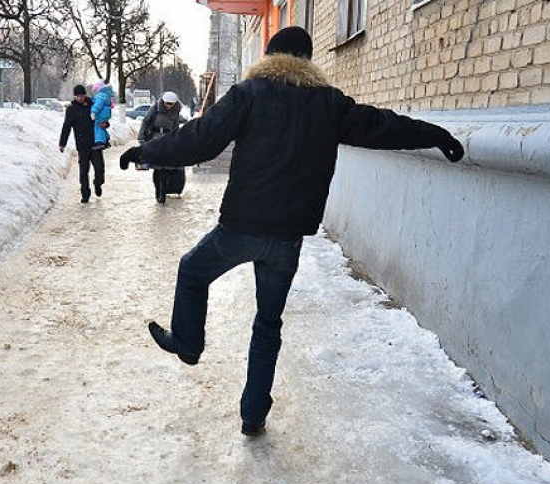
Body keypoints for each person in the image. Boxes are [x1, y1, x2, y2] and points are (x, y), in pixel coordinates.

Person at [119, 27, 464, 437]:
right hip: (287, 239)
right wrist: (436, 135)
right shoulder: (329, 103)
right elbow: (382, 126)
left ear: (270, 56)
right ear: (308, 60)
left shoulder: (250, 94)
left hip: (241, 228)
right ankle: (253, 414)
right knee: (268, 323)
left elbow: (201, 139)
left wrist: (147, 153)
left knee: (193, 271)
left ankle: (188, 344)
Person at [59, 84, 105, 203]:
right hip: (82, 145)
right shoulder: (71, 109)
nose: (81, 98)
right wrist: (62, 143)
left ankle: (98, 183)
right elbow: (67, 127)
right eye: (78, 96)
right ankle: (85, 194)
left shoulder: (93, 105)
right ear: (75, 97)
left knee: (99, 169)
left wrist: (106, 124)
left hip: (96, 144)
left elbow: (102, 119)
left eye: (82, 95)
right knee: (84, 171)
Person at [138, 91, 186, 204]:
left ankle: (163, 193)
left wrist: (176, 142)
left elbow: (175, 127)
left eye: (171, 104)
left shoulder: (176, 111)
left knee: (165, 167)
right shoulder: (155, 108)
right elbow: (145, 122)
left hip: (167, 140)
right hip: (154, 139)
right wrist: (141, 138)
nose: (168, 106)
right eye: (167, 103)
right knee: (157, 168)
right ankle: (158, 190)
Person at [90, 82, 115, 150]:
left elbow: (98, 105)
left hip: (100, 114)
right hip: (105, 114)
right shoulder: (105, 95)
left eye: (95, 91)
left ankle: (99, 143)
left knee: (97, 127)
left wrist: (93, 112)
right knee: (102, 128)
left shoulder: (100, 96)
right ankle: (106, 141)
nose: (94, 93)